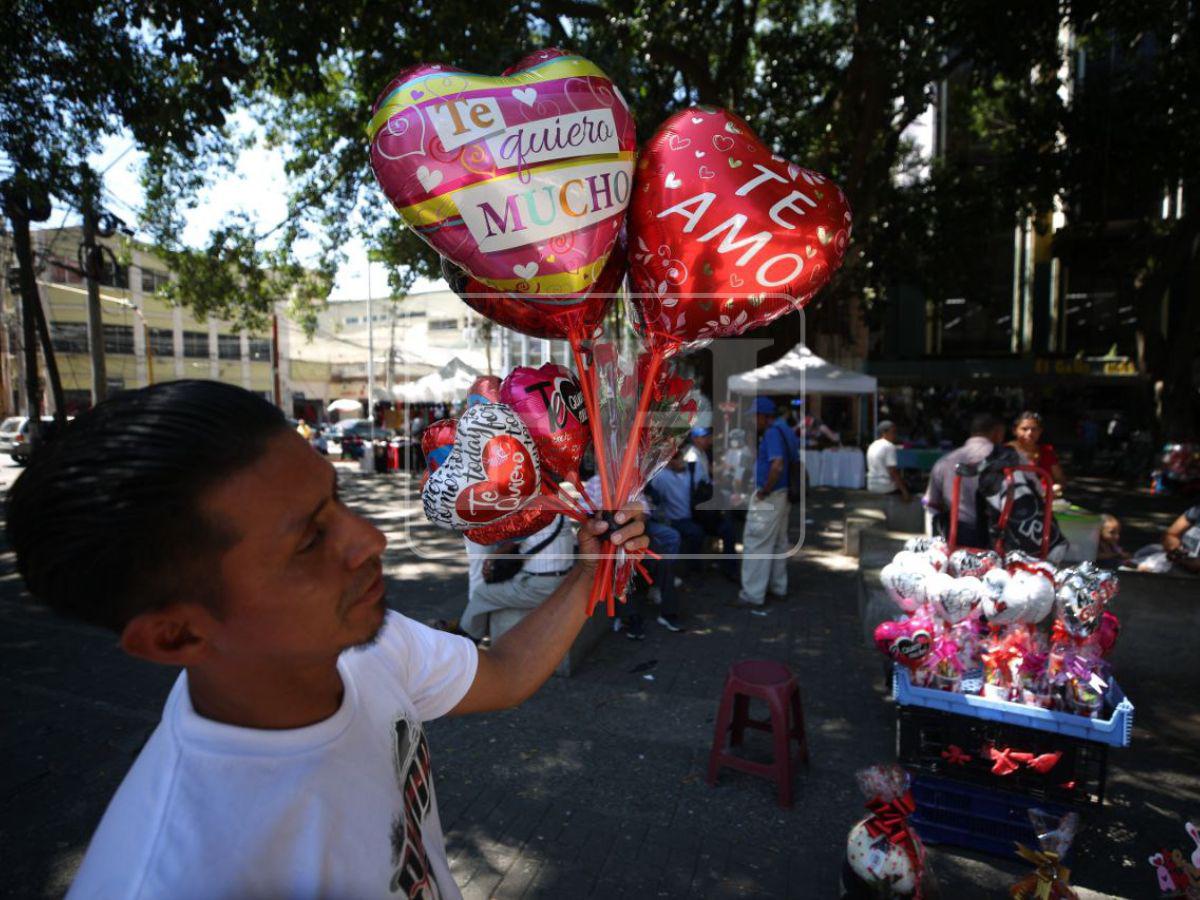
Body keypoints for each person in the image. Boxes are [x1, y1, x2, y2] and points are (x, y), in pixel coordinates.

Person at [6, 380, 646, 898]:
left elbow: (504, 673)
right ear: (175, 636)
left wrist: (590, 573)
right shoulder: (177, 876)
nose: (371, 540)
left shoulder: (370, 643)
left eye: (336, 499)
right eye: (310, 539)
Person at [456, 514, 577, 642]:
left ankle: (470, 636)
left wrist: (490, 559)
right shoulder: (562, 516)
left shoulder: (532, 518)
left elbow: (507, 543)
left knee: (482, 593)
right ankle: (475, 629)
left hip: (540, 587)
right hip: (564, 581)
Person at [736, 397, 800, 607]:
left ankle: (752, 594)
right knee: (779, 542)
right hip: (783, 494)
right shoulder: (785, 429)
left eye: (754, 417)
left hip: (771, 495)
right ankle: (777, 586)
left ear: (763, 416)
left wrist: (764, 490)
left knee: (757, 542)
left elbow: (777, 465)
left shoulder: (772, 432)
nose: (752, 422)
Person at [924, 413, 1006, 549]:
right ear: (997, 433)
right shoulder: (1013, 459)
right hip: (1002, 541)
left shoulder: (944, 462)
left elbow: (932, 505)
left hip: (958, 539)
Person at [1009, 411, 1066, 493]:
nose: (1030, 433)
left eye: (1034, 429)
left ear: (1040, 431)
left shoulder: (1047, 452)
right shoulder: (1006, 452)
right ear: (1014, 431)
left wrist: (1056, 487)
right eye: (1024, 429)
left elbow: (1060, 479)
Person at [866, 420, 910, 501]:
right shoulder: (889, 446)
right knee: (909, 486)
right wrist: (904, 491)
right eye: (893, 432)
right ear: (884, 433)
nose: (895, 435)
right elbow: (892, 471)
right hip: (884, 486)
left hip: (870, 484)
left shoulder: (872, 445)